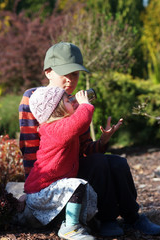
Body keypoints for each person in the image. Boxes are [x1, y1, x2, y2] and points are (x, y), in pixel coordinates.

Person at [19, 42, 160, 237]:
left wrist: (102, 141)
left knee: (117, 163)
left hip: (73, 166)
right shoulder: (32, 98)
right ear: (48, 72)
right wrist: (30, 190)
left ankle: (133, 218)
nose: (70, 80)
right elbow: (29, 147)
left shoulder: (74, 102)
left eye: (75, 74)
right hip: (52, 177)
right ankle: (107, 219)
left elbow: (85, 149)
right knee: (101, 163)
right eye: (64, 74)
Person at [24, 86, 98, 240]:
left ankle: (68, 222)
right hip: (41, 192)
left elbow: (74, 120)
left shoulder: (60, 126)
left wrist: (76, 106)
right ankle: (70, 228)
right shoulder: (55, 129)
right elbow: (79, 122)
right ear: (57, 109)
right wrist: (85, 104)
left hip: (48, 189)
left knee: (84, 191)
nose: (73, 101)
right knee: (76, 185)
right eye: (67, 100)